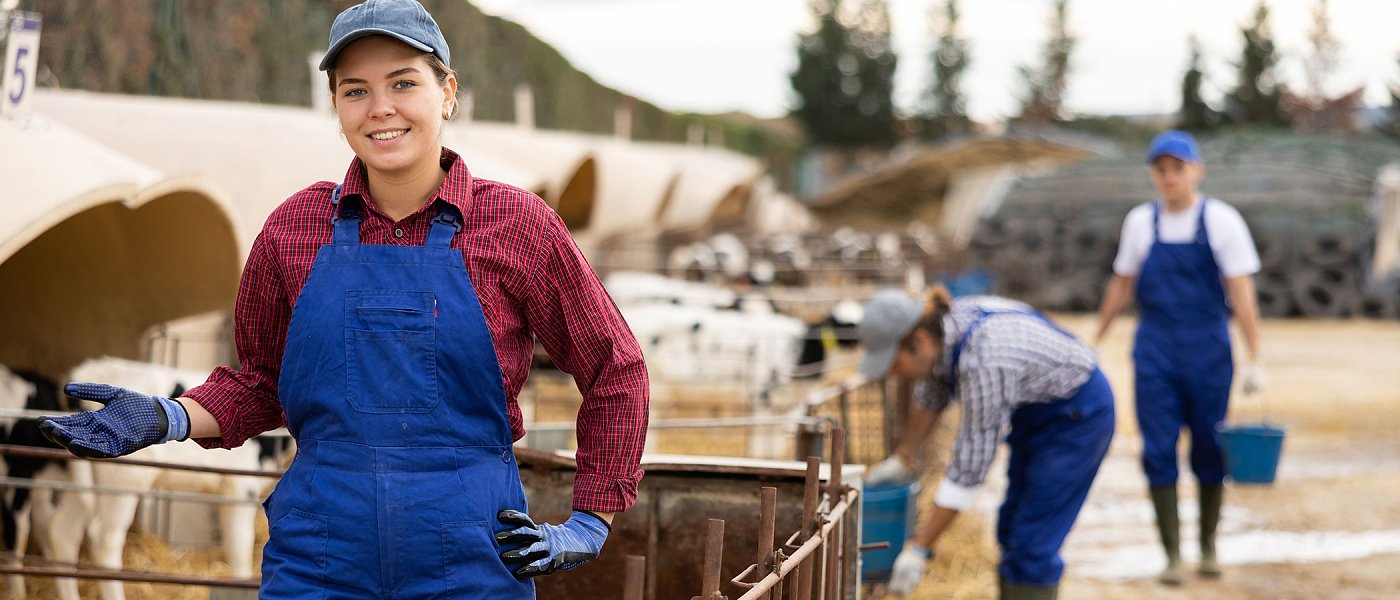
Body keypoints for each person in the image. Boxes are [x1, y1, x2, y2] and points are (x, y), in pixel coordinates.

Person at [36, 1, 649, 597]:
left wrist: (591, 518)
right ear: (335, 104)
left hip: (472, 560)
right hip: (321, 559)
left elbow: (615, 367)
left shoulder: (519, 226)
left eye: (403, 83)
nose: (380, 109)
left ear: (449, 93)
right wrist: (168, 416)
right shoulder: (295, 228)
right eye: (355, 90)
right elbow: (262, 384)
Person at [860, 287, 1114, 600]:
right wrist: (903, 456)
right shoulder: (947, 331)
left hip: (1077, 418)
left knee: (1032, 544)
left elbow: (970, 466)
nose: (890, 372)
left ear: (919, 342)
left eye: (893, 362)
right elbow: (932, 391)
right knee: (1010, 528)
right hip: (1035, 414)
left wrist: (919, 548)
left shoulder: (984, 361)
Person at [1093, 129, 1263, 586]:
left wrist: (1254, 357)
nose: (1169, 177)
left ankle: (1207, 545)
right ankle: (1171, 553)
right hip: (1155, 351)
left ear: (1196, 170)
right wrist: (1097, 337)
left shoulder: (1223, 221)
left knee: (1209, 447)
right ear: (1153, 173)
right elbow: (1121, 283)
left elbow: (1242, 293)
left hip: (1208, 351)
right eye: (1161, 169)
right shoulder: (1139, 223)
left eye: (1178, 168)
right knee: (1158, 448)